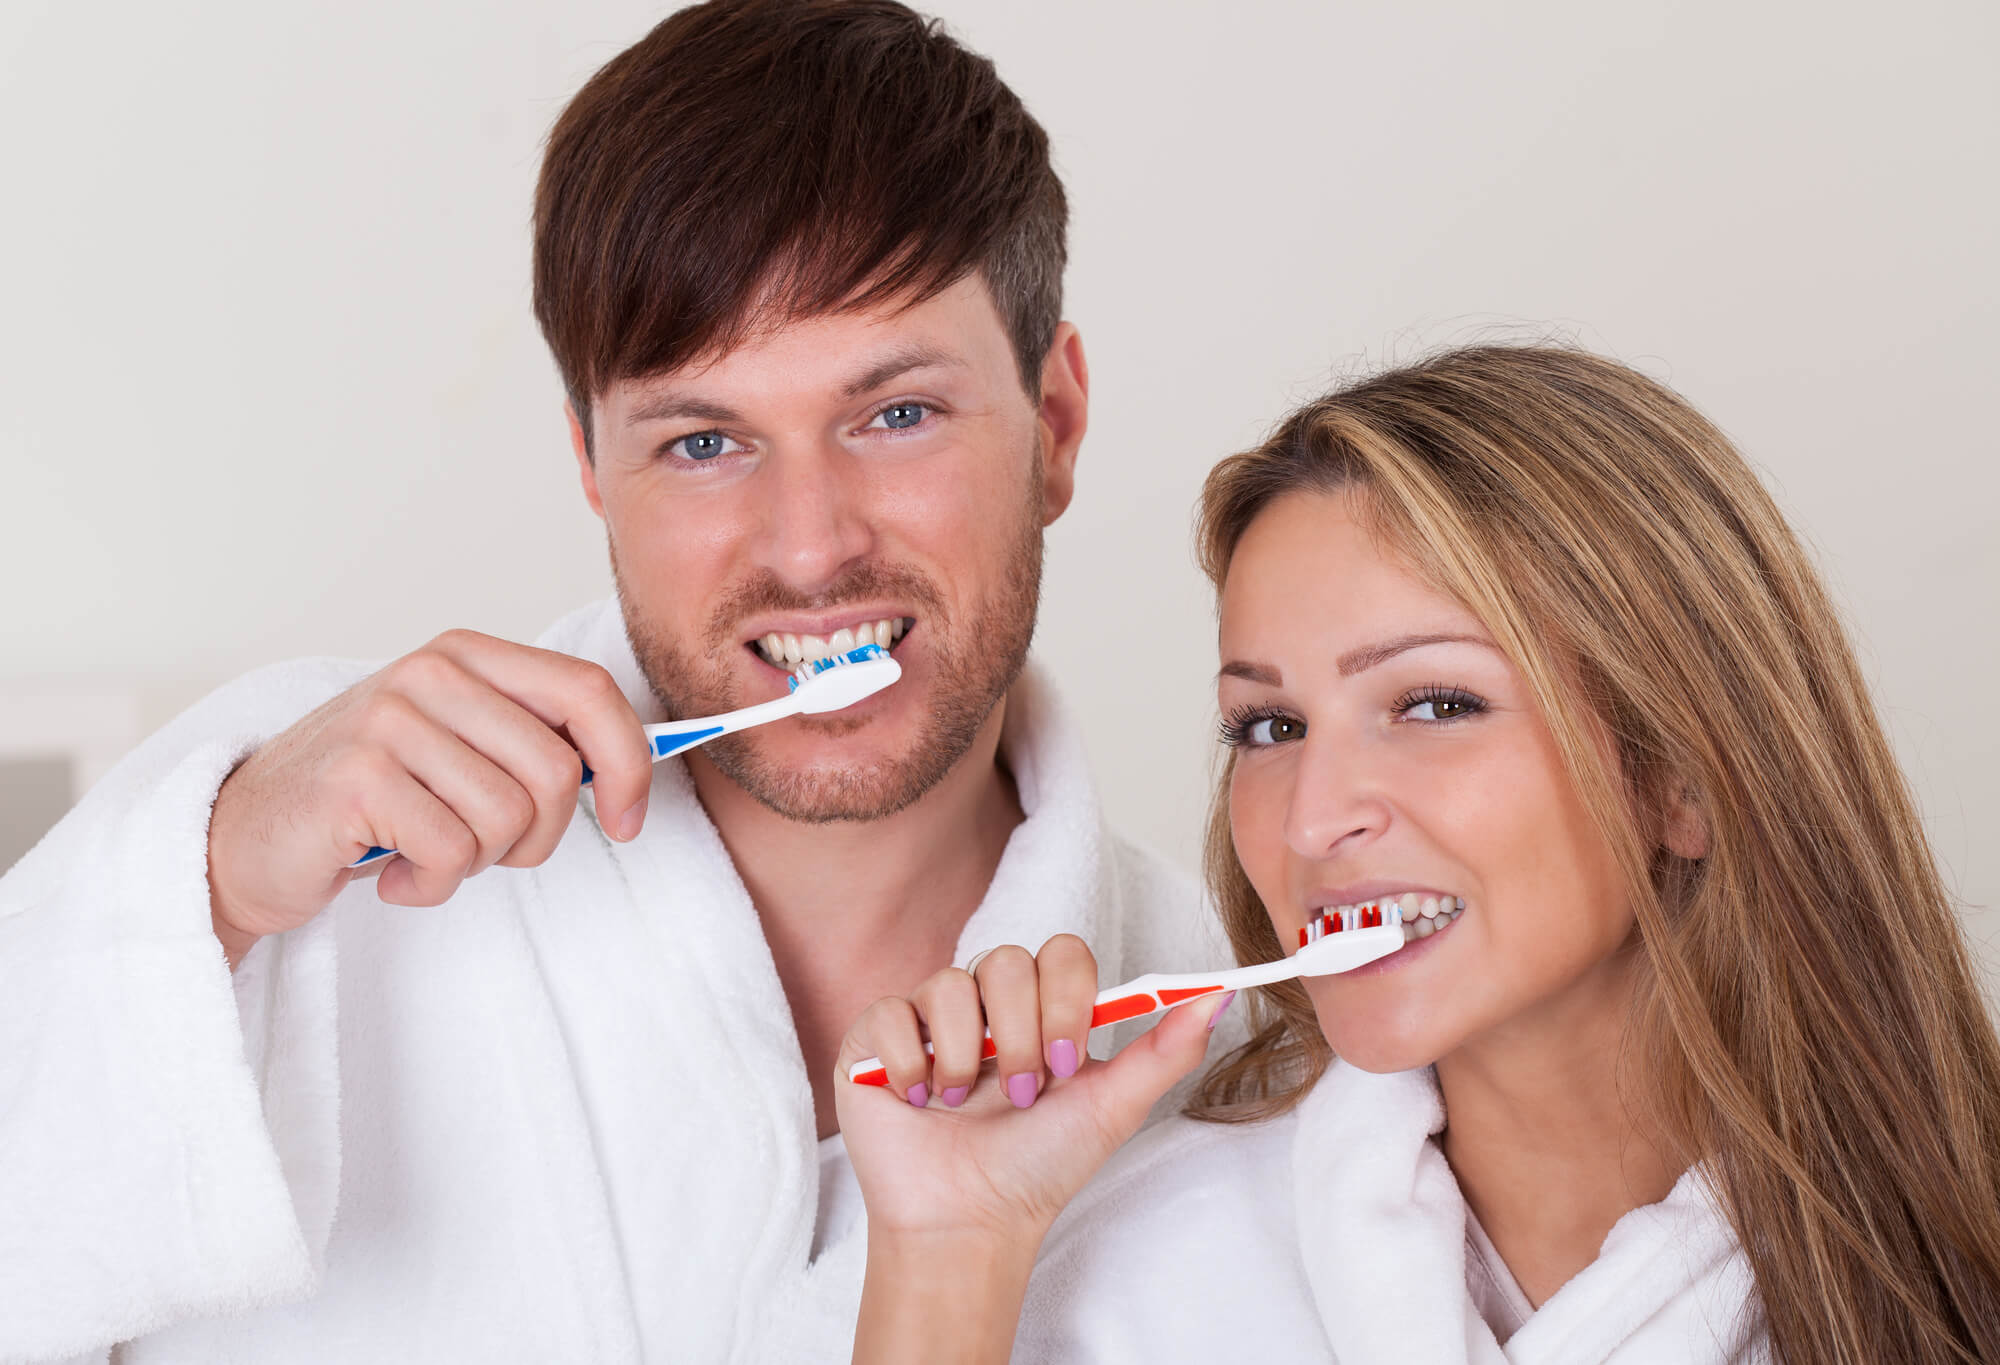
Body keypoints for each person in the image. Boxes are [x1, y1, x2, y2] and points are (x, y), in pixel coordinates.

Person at [0, 3, 1227, 1360]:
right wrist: (208, 889)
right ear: (591, 465)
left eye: (896, 415)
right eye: (704, 441)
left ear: (1055, 427)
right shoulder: (288, 861)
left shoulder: (1231, 1052)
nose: (811, 544)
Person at [837, 345, 2000, 1364]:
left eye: (1433, 704)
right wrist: (945, 1265)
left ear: (1681, 781)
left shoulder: (1954, 1257)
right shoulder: (1137, 1288)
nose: (1309, 821)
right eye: (1269, 728)